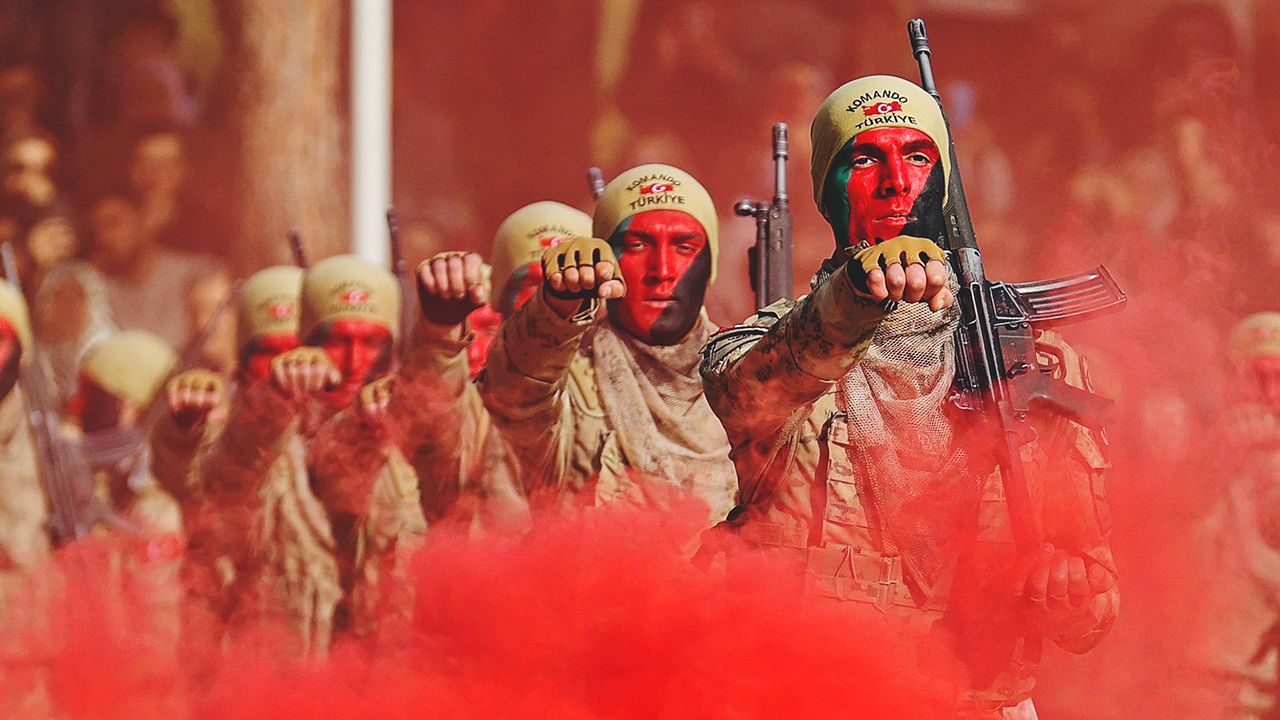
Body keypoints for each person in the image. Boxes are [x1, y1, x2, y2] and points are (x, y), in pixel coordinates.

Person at [699, 75, 1117, 717]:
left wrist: (1071, 592)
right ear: (828, 194)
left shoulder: (1034, 361)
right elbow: (753, 388)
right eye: (865, 159)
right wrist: (854, 299)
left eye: (918, 156)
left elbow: (1092, 604)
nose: (897, 180)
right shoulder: (767, 346)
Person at [480, 165, 736, 527]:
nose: (661, 269)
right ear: (607, 261)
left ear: (710, 263)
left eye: (683, 246)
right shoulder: (567, 385)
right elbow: (514, 392)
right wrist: (555, 306)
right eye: (636, 245)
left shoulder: (740, 375)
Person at [202, 255, 423, 643]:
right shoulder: (269, 444)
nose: (355, 362)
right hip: (291, 672)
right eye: (338, 341)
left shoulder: (423, 435)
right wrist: (275, 398)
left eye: (371, 344)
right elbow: (227, 467)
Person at [151, 265, 342, 656]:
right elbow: (191, 474)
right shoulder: (228, 436)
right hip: (255, 661)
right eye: (270, 356)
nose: (286, 370)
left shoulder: (349, 430)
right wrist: (183, 429)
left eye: (296, 354)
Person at [371, 201, 593, 535]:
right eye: (535, 292)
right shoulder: (477, 411)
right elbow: (435, 426)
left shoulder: (618, 385)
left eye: (571, 286)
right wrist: (438, 334)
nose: (557, 299)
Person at [1189, 313, 1280, 718]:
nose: (1272, 394)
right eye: (1258, 377)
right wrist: (1220, 459)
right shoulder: (1199, 445)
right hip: (1206, 684)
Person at [88, 192, 227, 349]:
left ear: (143, 221)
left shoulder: (192, 273)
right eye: (97, 230)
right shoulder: (100, 289)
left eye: (113, 224)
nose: (103, 238)